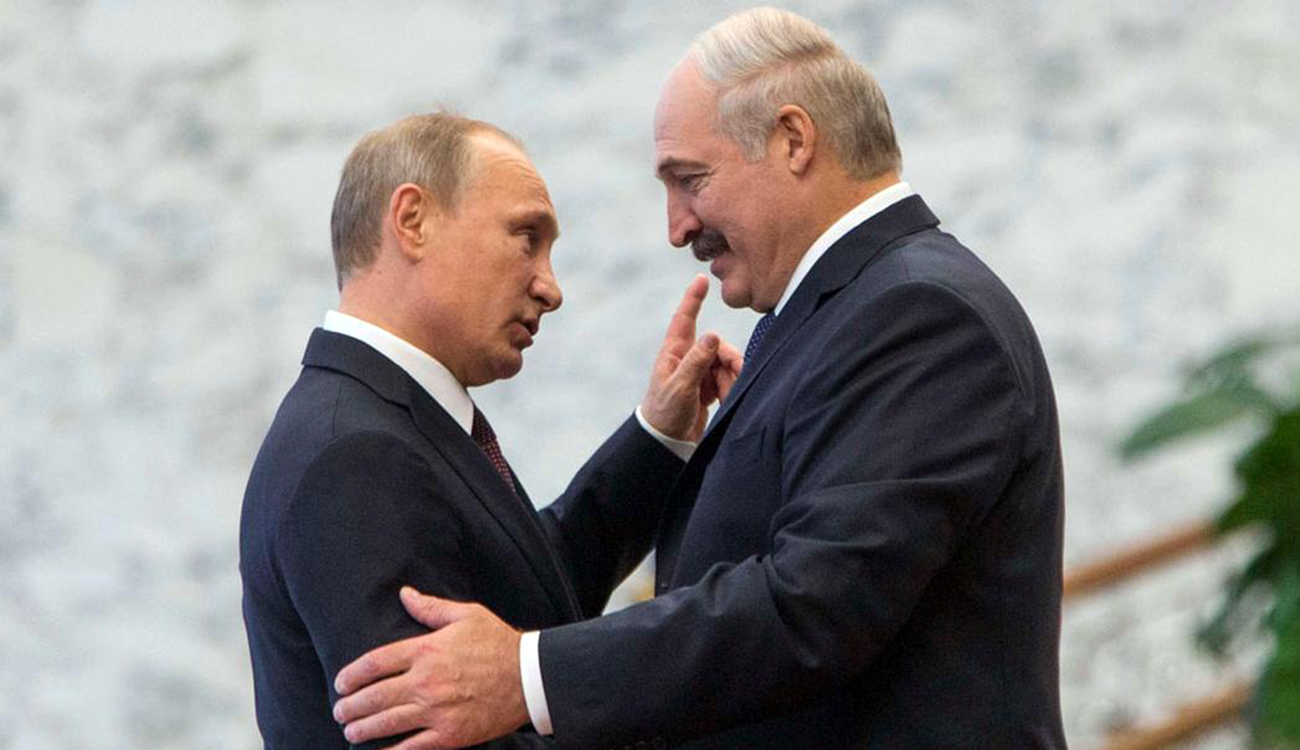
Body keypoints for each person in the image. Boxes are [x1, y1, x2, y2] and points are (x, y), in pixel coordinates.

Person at [333, 8, 1067, 749]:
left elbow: (814, 604)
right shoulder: (843, 309)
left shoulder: (918, 313)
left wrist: (526, 675)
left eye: (691, 180)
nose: (677, 228)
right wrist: (658, 440)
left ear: (793, 140)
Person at [239, 113, 740, 748]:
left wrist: (659, 438)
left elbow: (529, 595)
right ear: (413, 221)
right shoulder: (357, 454)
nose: (551, 289)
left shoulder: (380, 418)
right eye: (526, 237)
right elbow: (436, 736)